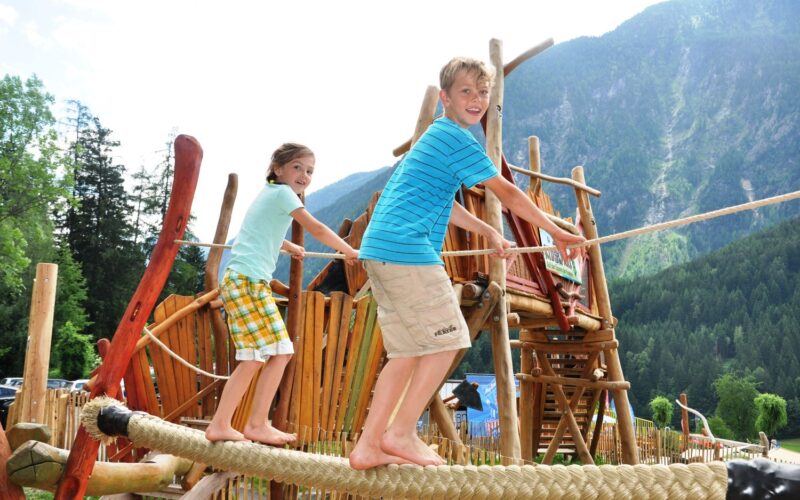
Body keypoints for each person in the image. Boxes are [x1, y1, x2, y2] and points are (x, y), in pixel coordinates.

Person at [348, 57, 587, 469]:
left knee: (405, 354)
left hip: (382, 251)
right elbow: (508, 194)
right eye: (466, 92)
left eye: (483, 92)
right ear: (445, 98)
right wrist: (559, 232)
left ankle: (369, 446)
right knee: (451, 339)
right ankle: (400, 432)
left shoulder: (436, 139)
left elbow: (447, 204)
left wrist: (491, 232)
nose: (476, 100)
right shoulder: (456, 138)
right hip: (408, 252)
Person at [205, 143, 359, 445]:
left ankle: (257, 423)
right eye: (297, 167)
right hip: (246, 282)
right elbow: (314, 227)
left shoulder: (271, 195)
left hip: (251, 283)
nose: (304, 175)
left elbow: (257, 232)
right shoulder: (283, 193)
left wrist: (287, 245)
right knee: (253, 358)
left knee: (281, 352)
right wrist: (349, 250)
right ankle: (222, 424)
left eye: (310, 170)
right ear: (278, 169)